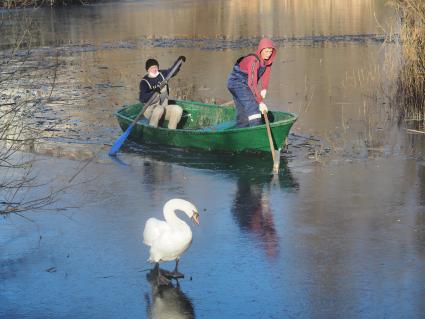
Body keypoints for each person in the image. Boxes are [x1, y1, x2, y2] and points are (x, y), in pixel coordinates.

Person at [227, 38, 276, 128]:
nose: (269, 54)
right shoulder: (254, 61)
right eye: (266, 51)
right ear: (261, 50)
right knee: (253, 107)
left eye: (270, 51)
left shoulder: (267, 61)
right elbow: (252, 84)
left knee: (243, 112)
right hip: (236, 82)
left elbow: (266, 75)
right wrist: (260, 102)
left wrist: (264, 89)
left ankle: (241, 132)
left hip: (245, 84)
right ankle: (256, 132)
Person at [139, 58, 184, 129]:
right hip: (150, 110)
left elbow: (172, 71)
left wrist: (179, 61)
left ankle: (171, 131)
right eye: (152, 68)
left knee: (177, 109)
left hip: (164, 107)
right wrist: (154, 92)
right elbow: (142, 98)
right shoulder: (144, 82)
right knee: (159, 109)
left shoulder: (162, 74)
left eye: (155, 67)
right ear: (147, 70)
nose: (154, 70)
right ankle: (151, 130)